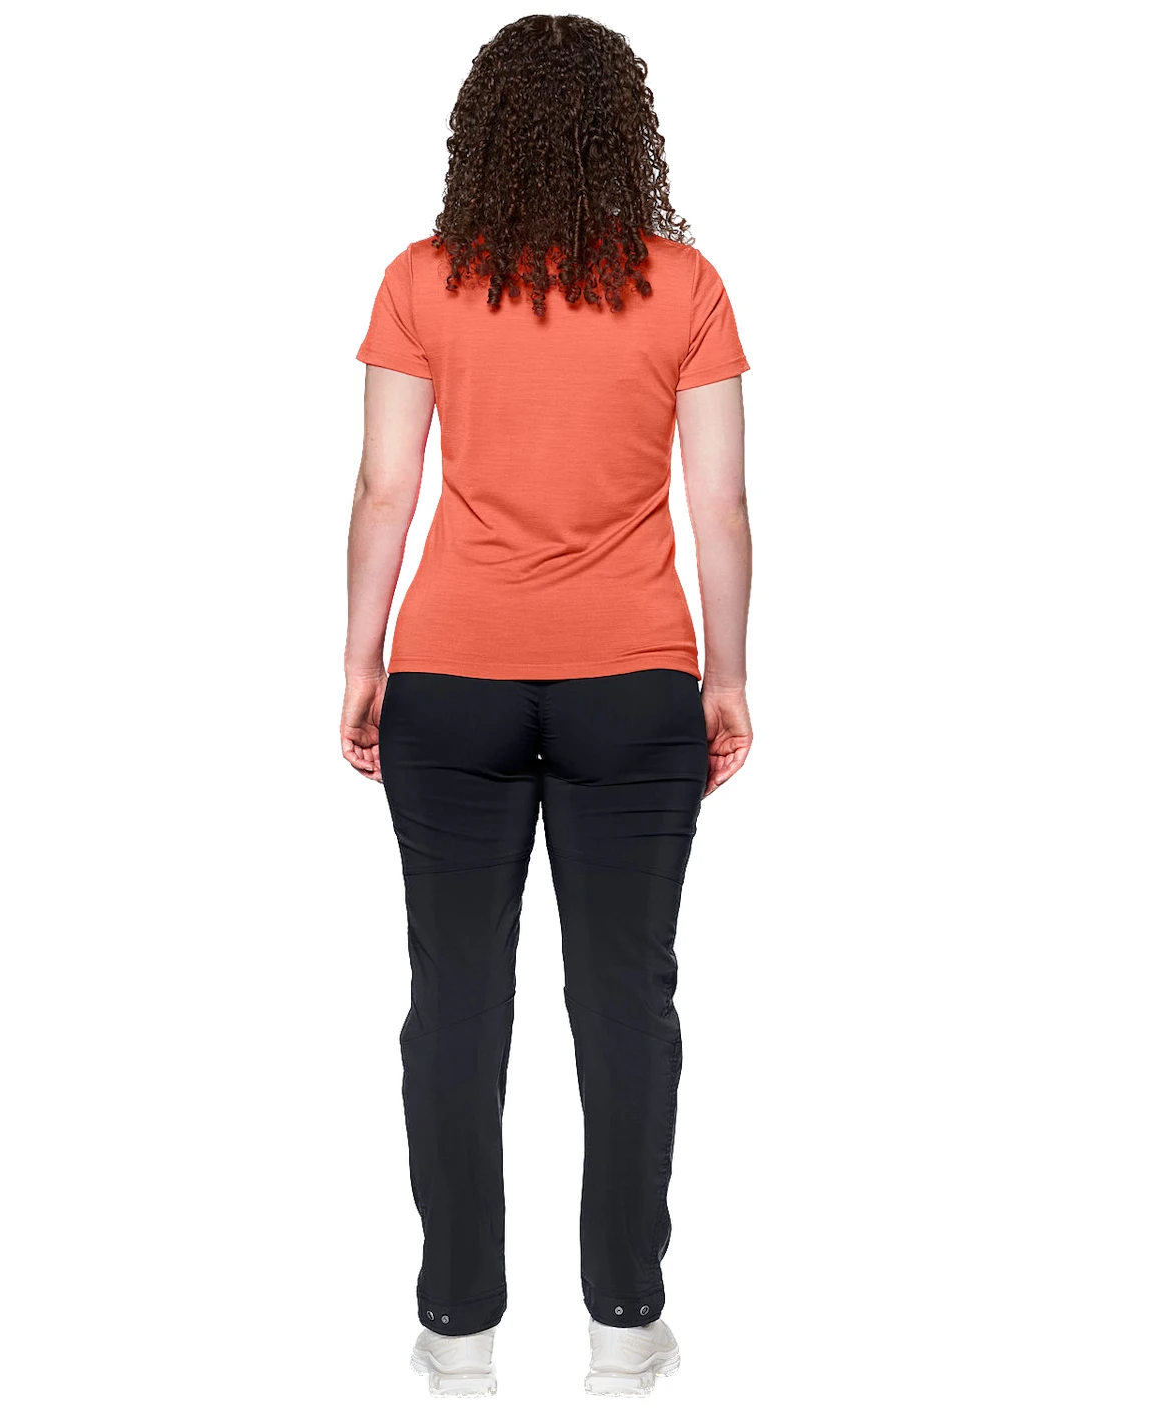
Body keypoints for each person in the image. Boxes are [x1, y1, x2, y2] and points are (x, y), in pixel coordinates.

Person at [340, 14, 753, 1397]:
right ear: (627, 134)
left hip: (449, 680)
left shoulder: (423, 281)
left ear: (482, 133)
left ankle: (457, 1330)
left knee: (455, 999)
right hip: (633, 683)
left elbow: (385, 488)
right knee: (625, 999)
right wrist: (725, 675)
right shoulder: (682, 285)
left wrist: (362, 659)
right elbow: (719, 506)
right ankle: (626, 1325)